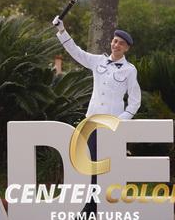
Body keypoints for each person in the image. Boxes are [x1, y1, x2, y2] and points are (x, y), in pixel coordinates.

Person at [52, 16, 141, 213]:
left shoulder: (129, 70)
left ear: (127, 48)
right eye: (115, 41)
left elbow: (135, 101)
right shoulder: (98, 61)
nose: (117, 45)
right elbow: (76, 51)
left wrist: (121, 121)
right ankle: (88, 208)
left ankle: (109, 207)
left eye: (121, 43)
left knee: (110, 166)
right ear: (111, 42)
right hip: (91, 123)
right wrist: (62, 30)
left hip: (111, 126)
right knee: (88, 164)